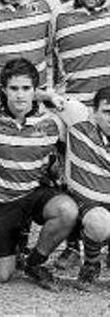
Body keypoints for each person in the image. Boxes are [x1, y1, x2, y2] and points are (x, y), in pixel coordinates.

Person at [0, 58, 78, 290]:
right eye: (14, 88)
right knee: (0, 276)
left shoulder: (52, 122)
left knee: (67, 210)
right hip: (1, 201)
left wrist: (51, 97)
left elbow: (83, 127)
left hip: (35, 194)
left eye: (26, 88)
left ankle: (34, 263)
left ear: (35, 90)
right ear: (3, 90)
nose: (20, 95)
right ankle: (8, 247)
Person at [49, 0, 108, 270]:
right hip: (75, 109)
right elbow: (43, 54)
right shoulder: (58, 16)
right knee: (69, 177)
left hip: (107, 110)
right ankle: (72, 246)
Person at [53, 86, 110, 288]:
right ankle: (91, 263)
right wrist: (47, 94)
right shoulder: (79, 120)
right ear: (94, 112)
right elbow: (40, 95)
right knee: (100, 222)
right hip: (85, 203)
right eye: (107, 112)